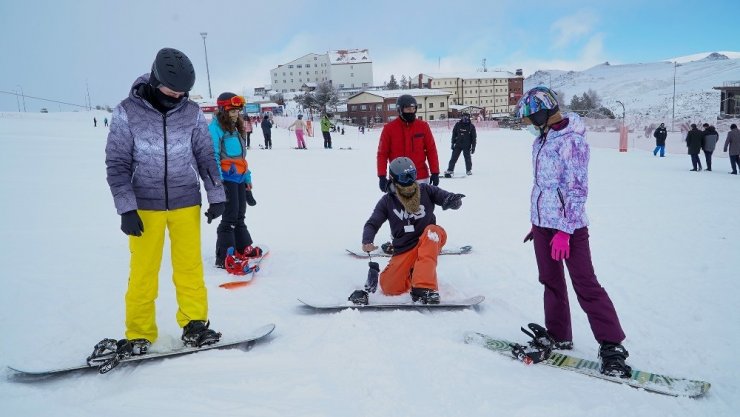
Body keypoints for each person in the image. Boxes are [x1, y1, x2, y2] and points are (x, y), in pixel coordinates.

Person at [104, 47, 226, 356]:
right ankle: (139, 333)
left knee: (190, 268)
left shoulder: (192, 112)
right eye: (171, 92)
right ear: (155, 80)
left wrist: (216, 195)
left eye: (183, 93)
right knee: (144, 272)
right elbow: (117, 163)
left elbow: (204, 156)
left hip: (186, 201)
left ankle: (195, 324)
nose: (177, 97)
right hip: (145, 206)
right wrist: (126, 208)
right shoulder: (127, 111)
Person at [516, 86, 631, 378]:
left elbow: (577, 191)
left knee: (585, 284)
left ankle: (612, 346)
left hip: (570, 229)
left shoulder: (572, 142)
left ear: (543, 113)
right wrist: (537, 222)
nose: (530, 125)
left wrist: (565, 231)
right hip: (543, 226)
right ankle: (559, 334)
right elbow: (543, 187)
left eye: (531, 118)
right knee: (550, 281)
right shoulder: (542, 140)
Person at [349, 157, 465, 305]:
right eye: (405, 177)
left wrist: (453, 201)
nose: (411, 181)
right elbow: (372, 223)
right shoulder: (387, 201)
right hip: (405, 248)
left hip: (428, 240)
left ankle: (423, 288)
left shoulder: (426, 190)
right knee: (389, 287)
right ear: (394, 179)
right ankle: (414, 272)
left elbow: (445, 197)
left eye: (413, 175)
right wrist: (367, 240)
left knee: (431, 232)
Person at [210, 92, 260, 269]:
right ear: (223, 110)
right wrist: (219, 182)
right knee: (230, 217)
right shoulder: (216, 128)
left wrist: (247, 178)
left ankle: (242, 247)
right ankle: (225, 256)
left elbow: (241, 157)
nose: (235, 114)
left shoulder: (235, 127)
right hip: (227, 178)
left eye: (237, 111)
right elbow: (213, 155)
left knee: (240, 214)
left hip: (239, 177)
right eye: (231, 111)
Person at [376, 94, 440, 192]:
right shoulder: (389, 129)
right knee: (398, 207)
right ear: (400, 110)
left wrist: (435, 172)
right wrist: (381, 176)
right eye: (407, 108)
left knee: (421, 207)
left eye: (413, 108)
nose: (411, 111)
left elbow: (431, 150)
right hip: (398, 179)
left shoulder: (423, 126)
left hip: (420, 177)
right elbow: (382, 154)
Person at [444, 112, 477, 177]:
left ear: (468, 117)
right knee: (453, 158)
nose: (465, 118)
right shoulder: (458, 125)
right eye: (464, 117)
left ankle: (468, 170)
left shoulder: (471, 126)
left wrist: (473, 147)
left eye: (466, 117)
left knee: (467, 158)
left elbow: (474, 138)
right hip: (458, 145)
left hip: (466, 145)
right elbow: (454, 134)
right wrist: (452, 143)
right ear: (461, 117)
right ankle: (450, 169)